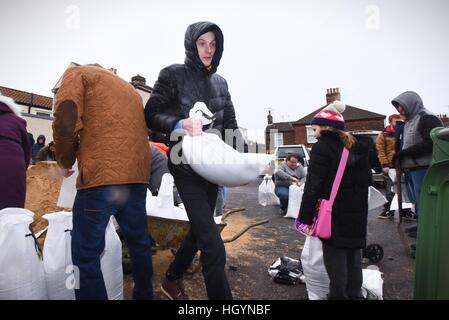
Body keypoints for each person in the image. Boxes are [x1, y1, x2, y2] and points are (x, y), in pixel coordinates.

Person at [145, 21, 247, 300]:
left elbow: (231, 126)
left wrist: (248, 158)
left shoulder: (221, 83)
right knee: (213, 246)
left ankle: (171, 279)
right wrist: (179, 123)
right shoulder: (172, 74)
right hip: (185, 164)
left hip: (213, 168)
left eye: (213, 44)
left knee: (201, 229)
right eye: (202, 43)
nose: (208, 49)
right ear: (192, 44)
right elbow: (151, 114)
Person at [52, 64, 153, 300]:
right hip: (136, 177)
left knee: (85, 254)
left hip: (101, 178)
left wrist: (65, 160)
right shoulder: (129, 90)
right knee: (139, 244)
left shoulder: (78, 73)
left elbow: (66, 116)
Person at [298, 101, 372, 299]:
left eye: (314, 129)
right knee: (354, 256)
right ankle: (355, 295)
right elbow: (368, 179)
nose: (314, 134)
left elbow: (313, 185)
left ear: (326, 127)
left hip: (334, 213)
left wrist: (304, 219)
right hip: (357, 211)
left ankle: (337, 296)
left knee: (335, 259)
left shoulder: (322, 148)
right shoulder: (358, 147)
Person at [391, 91, 443, 248]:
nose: (400, 110)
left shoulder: (427, 118)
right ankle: (422, 228)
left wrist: (405, 153)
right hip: (412, 167)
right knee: (417, 203)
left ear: (411, 103)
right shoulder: (410, 121)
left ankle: (427, 243)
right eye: (398, 107)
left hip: (424, 167)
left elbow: (432, 143)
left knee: (425, 204)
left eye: (402, 106)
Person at [375, 114, 415, 220]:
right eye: (395, 121)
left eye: (400, 121)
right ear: (390, 122)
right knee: (390, 190)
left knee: (405, 189)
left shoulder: (404, 133)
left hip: (403, 165)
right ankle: (389, 210)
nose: (398, 123)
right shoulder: (384, 135)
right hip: (390, 166)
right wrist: (384, 164)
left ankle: (406, 211)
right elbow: (380, 150)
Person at [0, 94, 30, 210]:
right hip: (12, 165)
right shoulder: (16, 121)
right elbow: (26, 150)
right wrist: (23, 169)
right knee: (10, 209)